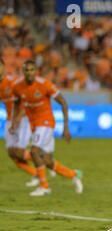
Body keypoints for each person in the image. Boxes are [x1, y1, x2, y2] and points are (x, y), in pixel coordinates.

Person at [10, 59, 83, 196]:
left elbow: (63, 101)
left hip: (46, 123)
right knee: (47, 161)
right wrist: (14, 121)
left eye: (32, 70)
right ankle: (74, 174)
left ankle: (44, 187)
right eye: (27, 70)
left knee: (34, 151)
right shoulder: (17, 86)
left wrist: (65, 127)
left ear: (36, 71)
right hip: (34, 124)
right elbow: (16, 102)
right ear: (23, 71)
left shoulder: (45, 84)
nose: (29, 73)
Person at [0, 58, 38, 185]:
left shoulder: (13, 82)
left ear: (3, 67)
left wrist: (19, 116)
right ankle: (36, 174)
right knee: (12, 153)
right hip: (10, 120)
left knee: (20, 152)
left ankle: (46, 161)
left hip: (23, 118)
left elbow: (26, 98)